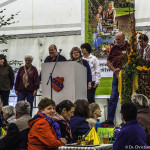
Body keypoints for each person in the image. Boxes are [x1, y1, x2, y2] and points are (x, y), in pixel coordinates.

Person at [102, 32, 130, 126]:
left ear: (123, 39)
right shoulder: (114, 48)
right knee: (113, 97)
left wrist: (124, 69)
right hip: (117, 76)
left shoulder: (129, 47)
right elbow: (108, 62)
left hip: (127, 76)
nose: (117, 41)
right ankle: (110, 119)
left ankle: (126, 120)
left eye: (118, 39)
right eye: (116, 39)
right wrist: (114, 70)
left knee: (125, 98)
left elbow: (134, 60)